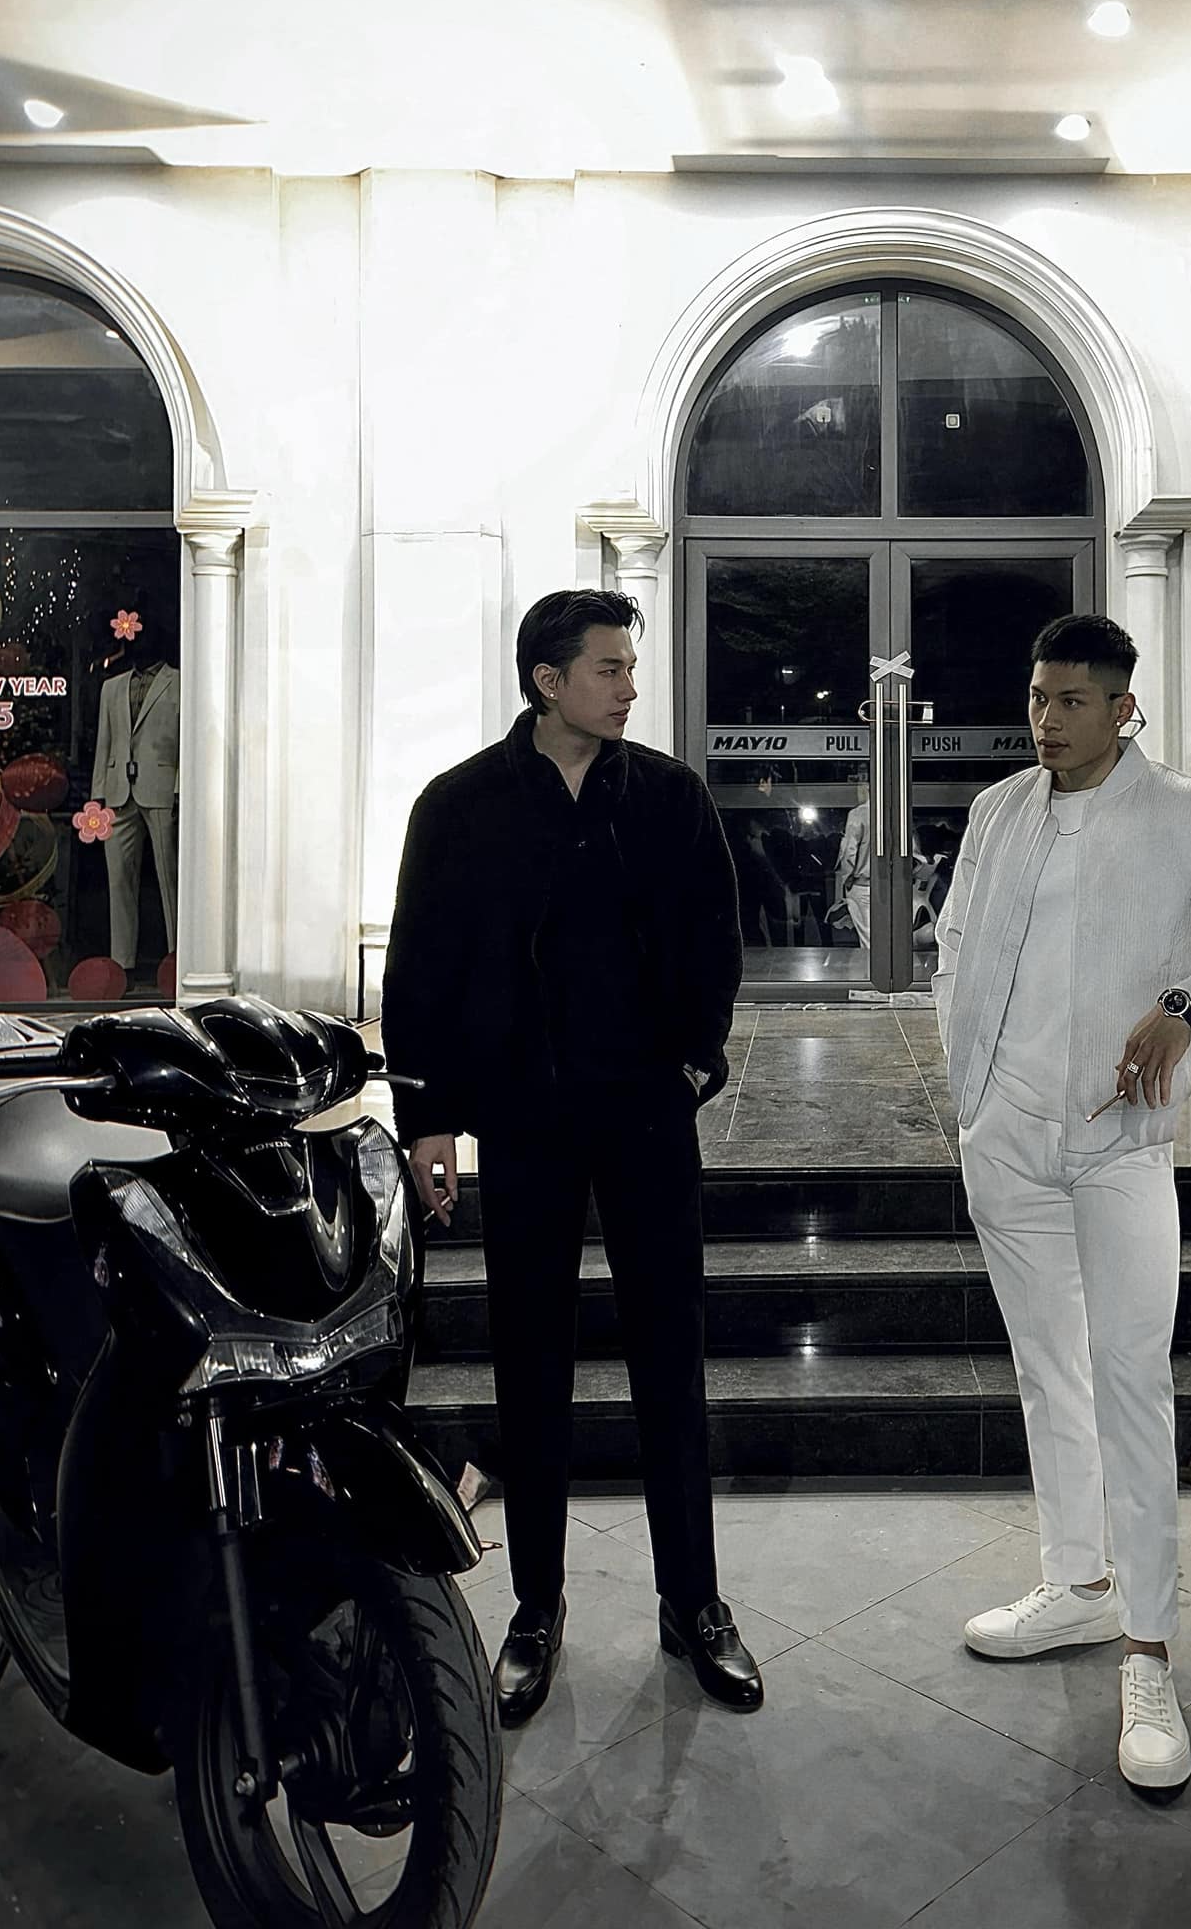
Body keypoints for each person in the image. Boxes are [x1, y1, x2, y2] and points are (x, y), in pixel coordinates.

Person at [933, 612, 1191, 1790]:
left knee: (1131, 1381)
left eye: (1068, 700)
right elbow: (956, 942)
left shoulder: (1188, 815)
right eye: (1035, 697)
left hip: (1116, 1143)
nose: (1044, 720)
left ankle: (1147, 1650)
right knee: (1045, 1368)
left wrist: (1186, 1002)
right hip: (1006, 1137)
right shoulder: (998, 809)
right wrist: (971, 1093)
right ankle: (1078, 1583)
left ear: (1120, 708)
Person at [382, 587, 763, 1726]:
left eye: (628, 668)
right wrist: (427, 1115)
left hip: (647, 1117)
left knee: (671, 1364)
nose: (630, 687)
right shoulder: (458, 805)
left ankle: (693, 1602)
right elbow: (421, 964)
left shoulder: (670, 797)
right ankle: (535, 1608)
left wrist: (693, 1064)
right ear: (547, 681)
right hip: (524, 1121)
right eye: (609, 668)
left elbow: (714, 940)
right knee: (529, 1365)